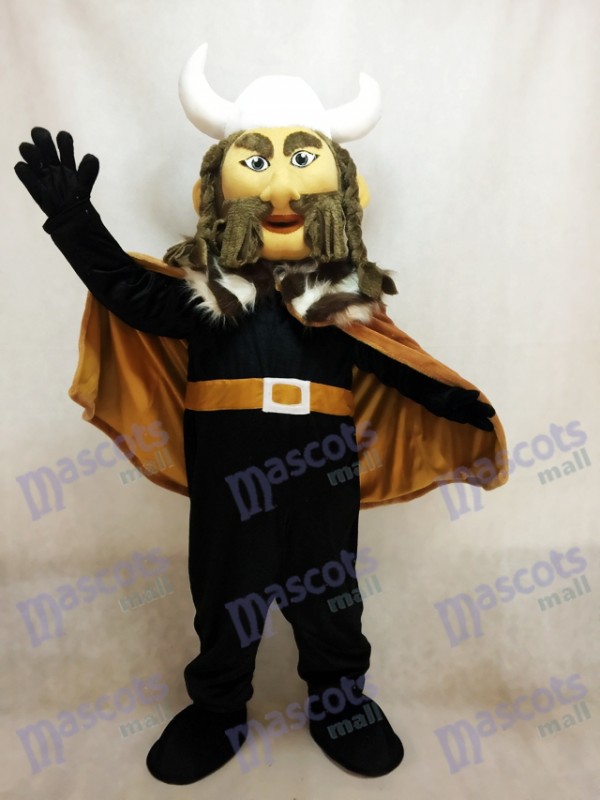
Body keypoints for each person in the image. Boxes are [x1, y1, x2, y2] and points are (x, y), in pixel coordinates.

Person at [15, 45, 506, 785]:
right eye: (256, 168)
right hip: (229, 473)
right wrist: (75, 221)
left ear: (346, 193)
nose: (280, 194)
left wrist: (453, 400)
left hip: (323, 471)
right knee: (225, 592)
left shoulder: (342, 301)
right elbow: (127, 292)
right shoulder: (206, 295)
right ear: (213, 192)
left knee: (330, 591)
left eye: (303, 168)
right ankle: (218, 708)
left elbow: (392, 361)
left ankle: (340, 703)